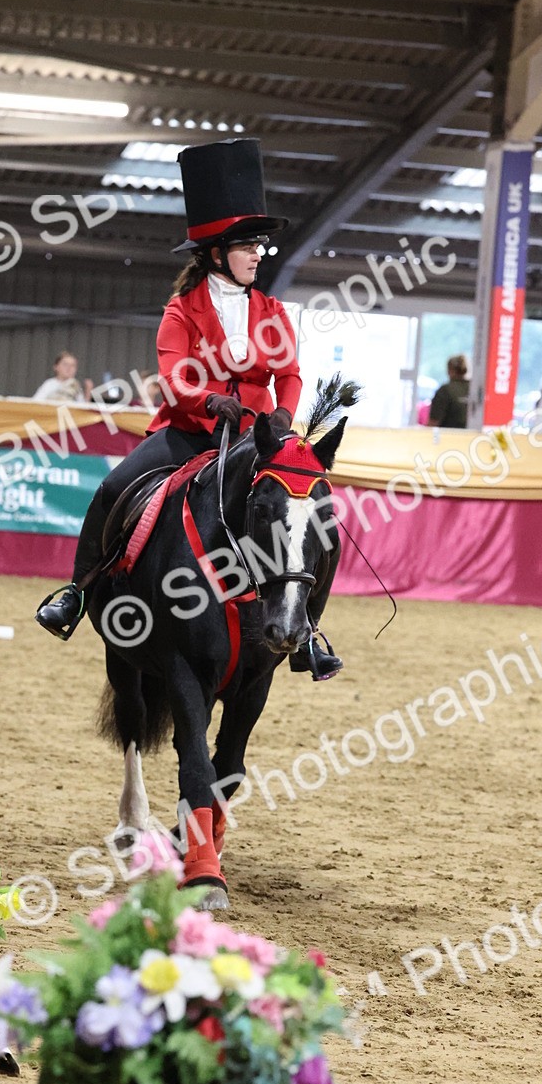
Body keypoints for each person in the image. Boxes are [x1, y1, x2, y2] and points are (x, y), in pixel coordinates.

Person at [35, 138, 342, 680]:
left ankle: (309, 633)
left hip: (258, 441)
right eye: (249, 246)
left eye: (261, 247)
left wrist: (284, 415)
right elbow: (173, 378)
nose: (258, 254)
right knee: (112, 488)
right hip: (190, 434)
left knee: (318, 516)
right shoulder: (181, 310)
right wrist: (208, 400)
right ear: (217, 252)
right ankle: (77, 594)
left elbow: (289, 373)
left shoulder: (272, 311)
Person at [428, 355, 469, 428]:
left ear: (450, 370)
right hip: (472, 436)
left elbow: (434, 422)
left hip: (448, 436)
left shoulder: (445, 391)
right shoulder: (474, 389)